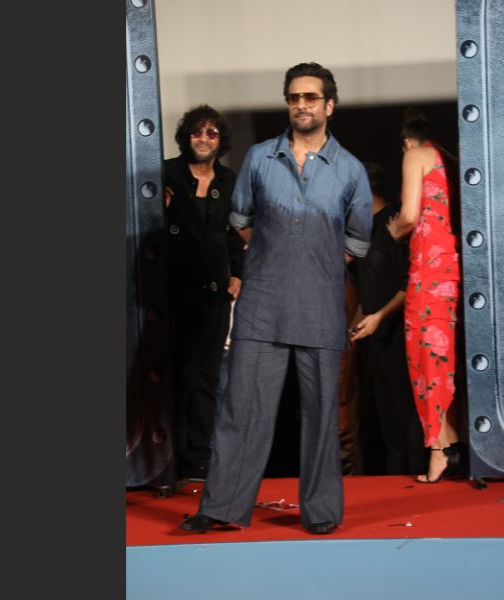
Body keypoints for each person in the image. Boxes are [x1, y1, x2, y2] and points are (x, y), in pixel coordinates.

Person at [181, 62, 372, 534]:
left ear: (329, 105)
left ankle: (321, 513)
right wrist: (277, 259)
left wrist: (312, 265)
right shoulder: (260, 158)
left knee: (321, 417)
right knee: (241, 408)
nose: (301, 105)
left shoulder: (350, 170)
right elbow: (241, 220)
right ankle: (221, 507)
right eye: (293, 97)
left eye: (310, 97)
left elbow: (356, 242)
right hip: (261, 305)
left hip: (319, 307)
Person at [163, 104, 244, 481]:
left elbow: (233, 233)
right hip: (173, 292)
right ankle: (168, 460)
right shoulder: (166, 173)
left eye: (212, 132)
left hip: (214, 294)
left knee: (208, 379)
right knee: (177, 377)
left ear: (220, 140)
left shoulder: (228, 180)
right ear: (186, 136)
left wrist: (238, 274)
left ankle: (198, 461)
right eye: (197, 131)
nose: (204, 138)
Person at [386, 108, 464, 483]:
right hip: (450, 265)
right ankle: (452, 445)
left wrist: (393, 231)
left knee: (425, 357)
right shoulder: (448, 160)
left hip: (428, 269)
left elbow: (409, 215)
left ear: (406, 141)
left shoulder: (415, 155)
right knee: (443, 356)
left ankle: (437, 451)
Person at [348, 163, 426, 475]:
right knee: (386, 415)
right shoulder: (363, 230)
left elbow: (410, 282)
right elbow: (369, 285)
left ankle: (417, 475)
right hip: (374, 334)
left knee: (407, 411)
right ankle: (395, 480)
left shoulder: (396, 221)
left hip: (399, 331)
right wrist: (355, 324)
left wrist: (379, 316)